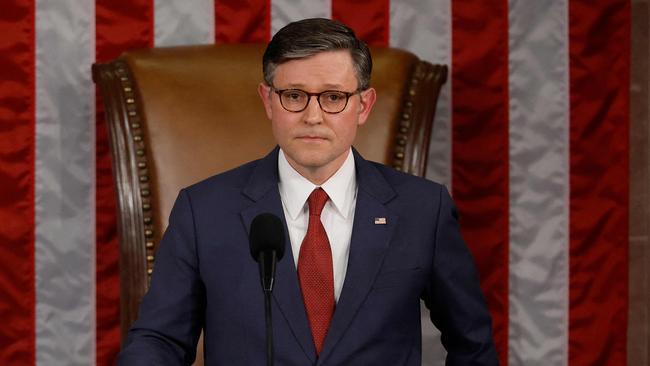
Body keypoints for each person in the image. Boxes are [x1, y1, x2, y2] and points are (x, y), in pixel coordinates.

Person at [118, 18, 498, 365]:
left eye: (333, 97)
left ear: (364, 105)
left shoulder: (423, 210)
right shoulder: (204, 211)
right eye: (294, 96)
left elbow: (472, 344)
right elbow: (158, 341)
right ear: (268, 100)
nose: (313, 116)